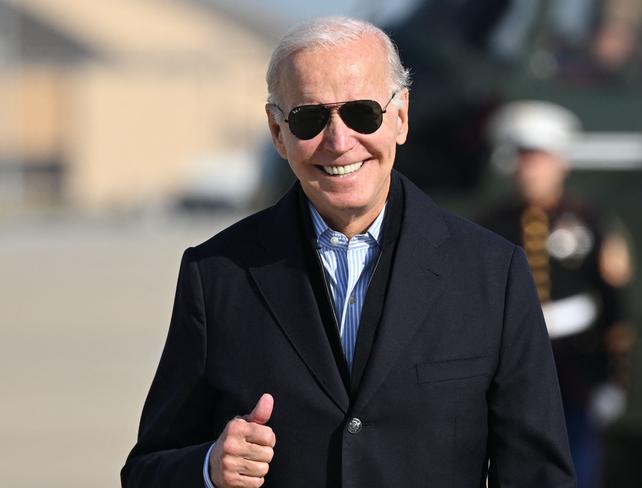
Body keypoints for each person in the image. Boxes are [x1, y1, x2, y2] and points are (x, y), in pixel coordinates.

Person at [121, 17, 576, 488]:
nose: (339, 143)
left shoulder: (492, 274)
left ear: (400, 117)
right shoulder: (217, 274)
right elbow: (146, 472)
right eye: (309, 118)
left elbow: (537, 475)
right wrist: (209, 468)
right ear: (278, 133)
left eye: (362, 114)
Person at [480, 100, 633, 488]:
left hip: (576, 369)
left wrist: (612, 377)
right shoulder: (493, 225)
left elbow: (611, 299)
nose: (531, 170)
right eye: (524, 159)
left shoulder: (587, 221)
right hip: (516, 367)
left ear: (560, 163)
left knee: (578, 462)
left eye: (541, 159)